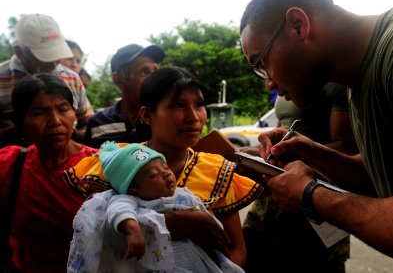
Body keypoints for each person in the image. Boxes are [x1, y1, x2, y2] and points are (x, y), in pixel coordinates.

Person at [239, 0, 393, 270]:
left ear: (298, 25)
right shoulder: (355, 82)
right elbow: (382, 176)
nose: (269, 82)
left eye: (262, 63)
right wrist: (312, 153)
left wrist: (310, 194)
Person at [64, 67, 263, 267]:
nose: (193, 117)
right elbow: (95, 231)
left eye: (199, 104)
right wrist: (179, 222)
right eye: (178, 105)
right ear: (147, 116)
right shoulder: (120, 163)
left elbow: (236, 249)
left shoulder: (216, 171)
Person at [68, 141, 244, 272]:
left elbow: (208, 221)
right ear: (134, 189)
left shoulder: (183, 194)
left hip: (200, 257)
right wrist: (133, 230)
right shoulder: (129, 200)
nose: (166, 173)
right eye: (154, 175)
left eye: (165, 167)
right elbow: (119, 211)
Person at [242, 82, 358, 272]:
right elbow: (281, 135)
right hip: (274, 194)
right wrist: (257, 153)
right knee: (255, 253)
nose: (268, 83)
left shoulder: (334, 84)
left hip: (314, 196)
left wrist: (297, 153)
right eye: (259, 68)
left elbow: (347, 149)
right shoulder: (282, 84)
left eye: (262, 60)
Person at [0, 74, 97, 272]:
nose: (55, 121)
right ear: (20, 123)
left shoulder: (103, 165)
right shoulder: (9, 164)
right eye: (39, 112)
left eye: (63, 109)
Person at [0, 14, 93, 147]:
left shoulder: (71, 78)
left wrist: (73, 133)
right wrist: (20, 131)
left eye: (56, 54)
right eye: (45, 57)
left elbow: (89, 123)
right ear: (19, 52)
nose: (54, 64)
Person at [83, 44, 164, 148]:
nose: (154, 79)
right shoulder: (98, 123)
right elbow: (91, 163)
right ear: (119, 79)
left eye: (156, 72)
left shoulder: (166, 118)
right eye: (144, 72)